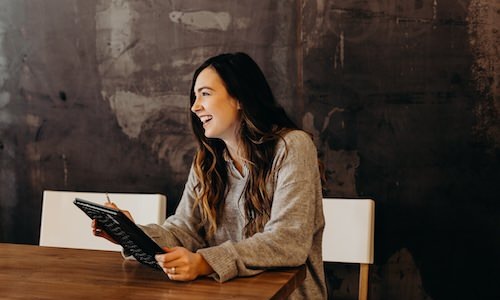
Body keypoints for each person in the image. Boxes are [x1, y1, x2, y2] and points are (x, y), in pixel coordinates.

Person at [92, 52, 327, 299]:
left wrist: (205, 262)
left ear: (239, 98)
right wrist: (132, 235)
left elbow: (288, 241)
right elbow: (184, 231)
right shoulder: (208, 161)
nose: (195, 107)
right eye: (195, 97)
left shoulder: (293, 147)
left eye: (205, 93)